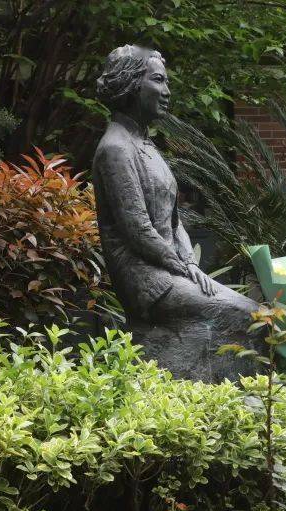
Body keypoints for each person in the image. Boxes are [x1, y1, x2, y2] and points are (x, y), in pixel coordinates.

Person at [93, 45, 258, 326]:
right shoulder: (115, 149)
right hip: (147, 281)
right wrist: (181, 267)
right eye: (158, 80)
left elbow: (173, 221)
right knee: (248, 316)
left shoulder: (146, 144)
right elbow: (138, 230)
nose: (167, 91)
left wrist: (192, 265)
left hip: (170, 269)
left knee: (256, 311)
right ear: (130, 85)